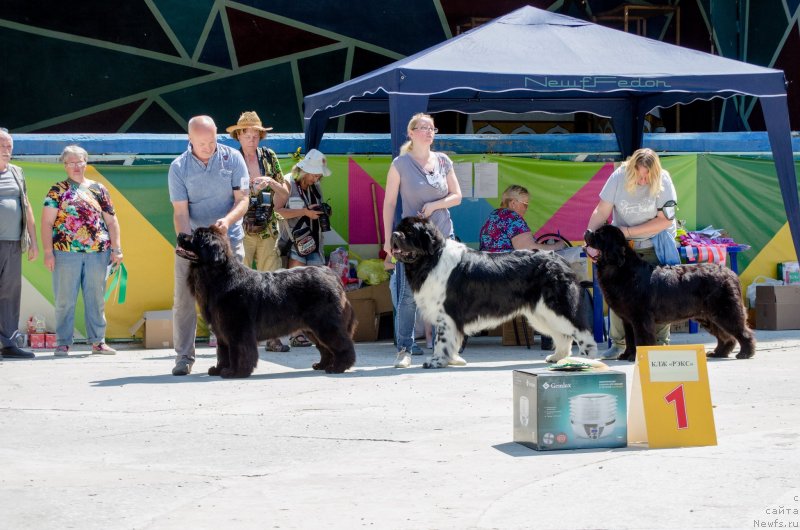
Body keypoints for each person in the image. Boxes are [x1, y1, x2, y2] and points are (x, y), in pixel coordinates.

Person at [168, 115, 249, 375]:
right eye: (201, 143)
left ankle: (231, 358)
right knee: (184, 300)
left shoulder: (233, 158)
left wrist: (228, 220)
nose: (208, 147)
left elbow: (243, 199)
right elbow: (180, 212)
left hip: (228, 241)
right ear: (189, 139)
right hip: (195, 242)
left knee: (232, 302)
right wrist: (187, 246)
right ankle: (183, 357)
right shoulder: (178, 167)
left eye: (212, 141)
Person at [382, 113, 462, 369]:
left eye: (432, 128)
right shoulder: (400, 164)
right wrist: (387, 239)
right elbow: (389, 203)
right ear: (411, 133)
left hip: (443, 237)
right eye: (424, 128)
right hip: (412, 242)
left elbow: (457, 196)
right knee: (407, 298)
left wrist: (435, 205)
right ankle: (404, 350)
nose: (429, 132)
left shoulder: (443, 160)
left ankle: (446, 350)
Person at [585, 147, 678, 359]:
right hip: (624, 249)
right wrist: (589, 239)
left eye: (648, 176)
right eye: (639, 175)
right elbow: (601, 211)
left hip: (654, 243)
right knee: (619, 297)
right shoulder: (618, 176)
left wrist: (626, 232)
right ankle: (619, 344)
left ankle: (660, 345)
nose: (643, 180)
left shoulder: (664, 179)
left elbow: (665, 220)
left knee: (660, 298)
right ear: (630, 169)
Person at [41, 145, 123, 356]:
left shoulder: (99, 189)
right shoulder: (57, 190)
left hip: (98, 252)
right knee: (64, 300)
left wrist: (117, 249)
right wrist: (48, 252)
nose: (76, 166)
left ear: (86, 162)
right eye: (71, 162)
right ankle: (63, 343)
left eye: (79, 161)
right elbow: (47, 223)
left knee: (96, 299)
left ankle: (98, 342)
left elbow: (112, 221)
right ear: (65, 165)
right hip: (65, 252)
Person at [227, 111, 291, 353]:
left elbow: (285, 192)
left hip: (267, 228)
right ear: (239, 136)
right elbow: (225, 194)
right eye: (248, 135)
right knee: (238, 286)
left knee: (272, 285)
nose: (252, 139)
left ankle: (274, 337)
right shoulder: (231, 159)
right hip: (240, 229)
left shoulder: (269, 156)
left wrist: (270, 182)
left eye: (256, 135)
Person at [275, 149, 331, 348]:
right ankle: (295, 333)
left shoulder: (316, 186)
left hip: (314, 242)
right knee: (295, 290)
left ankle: (314, 332)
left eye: (319, 175)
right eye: (315, 174)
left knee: (315, 289)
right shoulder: (287, 183)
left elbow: (315, 207)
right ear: (305, 170)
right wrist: (304, 212)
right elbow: (277, 211)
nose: (317, 178)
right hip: (294, 243)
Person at [0, 129, 38, 359]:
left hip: (13, 243)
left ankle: (8, 343)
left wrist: (33, 241)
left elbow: (26, 205)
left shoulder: (17, 172)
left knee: (10, 293)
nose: (7, 151)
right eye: (2, 146)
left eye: (9, 147)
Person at [479, 185, 567, 252]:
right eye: (525, 204)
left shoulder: (494, 214)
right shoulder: (512, 217)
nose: (526, 208)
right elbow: (528, 249)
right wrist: (557, 246)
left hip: (489, 266)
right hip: (507, 267)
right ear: (513, 203)